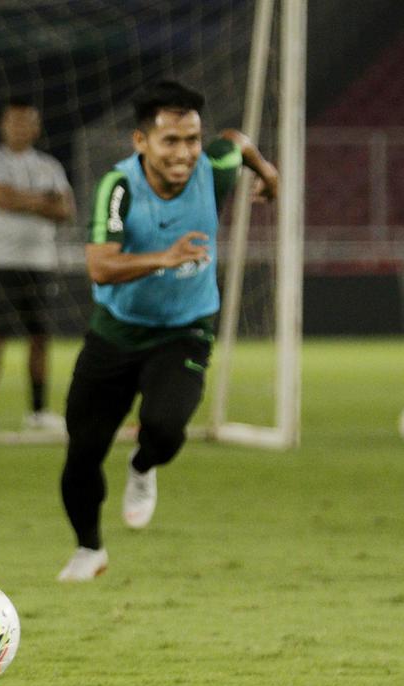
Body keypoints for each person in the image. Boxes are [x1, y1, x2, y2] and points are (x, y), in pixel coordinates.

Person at [56, 81, 278, 581]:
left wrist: (267, 172)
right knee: (82, 452)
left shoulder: (213, 167)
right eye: (170, 141)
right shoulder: (118, 187)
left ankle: (142, 466)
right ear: (141, 142)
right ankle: (89, 549)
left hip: (184, 330)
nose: (184, 153)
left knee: (166, 428)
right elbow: (100, 266)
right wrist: (166, 258)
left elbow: (236, 141)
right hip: (115, 333)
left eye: (191, 140)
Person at [0, 98, 74, 433]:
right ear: (3, 125)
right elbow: (1, 199)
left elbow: (65, 210)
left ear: (36, 127)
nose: (20, 128)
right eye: (14, 121)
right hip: (0, 261)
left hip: (40, 262)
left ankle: (38, 411)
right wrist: (42, 200)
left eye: (27, 121)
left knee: (40, 338)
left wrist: (23, 199)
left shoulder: (50, 166)